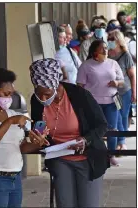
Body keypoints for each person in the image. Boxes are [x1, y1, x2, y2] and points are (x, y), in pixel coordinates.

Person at [30, 58, 110, 208]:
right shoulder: (36, 100)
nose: (43, 98)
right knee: (65, 203)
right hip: (60, 158)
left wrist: (85, 140)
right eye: (39, 93)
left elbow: (102, 125)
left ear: (55, 85)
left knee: (88, 204)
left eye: (47, 94)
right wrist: (39, 135)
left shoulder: (80, 95)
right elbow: (39, 124)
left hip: (88, 158)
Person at [0, 68, 48, 208]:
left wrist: (38, 143)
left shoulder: (12, 114)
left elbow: (21, 146)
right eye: (5, 94)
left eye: (11, 94)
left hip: (15, 178)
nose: (9, 98)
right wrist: (9, 122)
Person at [77, 40, 124, 166]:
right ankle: (96, 154)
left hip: (111, 101)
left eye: (106, 48)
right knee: (94, 129)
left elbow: (122, 81)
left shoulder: (113, 63)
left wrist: (117, 83)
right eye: (102, 49)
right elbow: (80, 85)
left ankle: (111, 154)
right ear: (94, 52)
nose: (105, 51)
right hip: (93, 103)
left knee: (112, 128)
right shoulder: (86, 65)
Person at [108, 30, 136, 149]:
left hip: (125, 90)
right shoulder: (108, 54)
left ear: (119, 41)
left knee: (123, 115)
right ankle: (120, 140)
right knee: (116, 116)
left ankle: (121, 141)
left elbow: (132, 75)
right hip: (112, 92)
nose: (110, 42)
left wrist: (134, 92)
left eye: (112, 39)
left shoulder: (126, 55)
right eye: (109, 39)